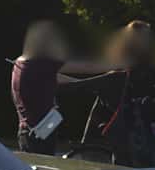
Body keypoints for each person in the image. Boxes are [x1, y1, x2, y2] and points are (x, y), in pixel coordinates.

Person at [9, 21, 115, 153]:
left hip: (28, 130)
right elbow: (85, 67)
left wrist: (83, 83)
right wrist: (115, 67)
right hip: (40, 133)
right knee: (43, 167)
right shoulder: (40, 62)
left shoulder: (22, 62)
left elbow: (53, 78)